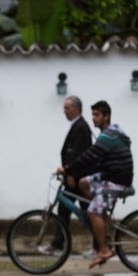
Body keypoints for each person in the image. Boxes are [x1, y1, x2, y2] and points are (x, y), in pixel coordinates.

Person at [57, 100, 133, 268]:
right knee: (83, 183)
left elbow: (89, 156)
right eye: (92, 114)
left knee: (91, 212)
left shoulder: (107, 136)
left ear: (106, 116)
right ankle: (102, 213)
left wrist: (68, 169)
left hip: (117, 180)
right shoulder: (109, 133)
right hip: (110, 175)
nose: (93, 118)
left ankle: (104, 249)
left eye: (97, 115)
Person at [39, 95, 93, 256]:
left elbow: (79, 154)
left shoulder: (81, 127)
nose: (64, 111)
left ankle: (59, 244)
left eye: (67, 108)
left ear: (76, 109)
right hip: (75, 177)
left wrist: (70, 173)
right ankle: (59, 243)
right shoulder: (78, 125)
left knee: (86, 212)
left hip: (76, 179)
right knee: (72, 211)